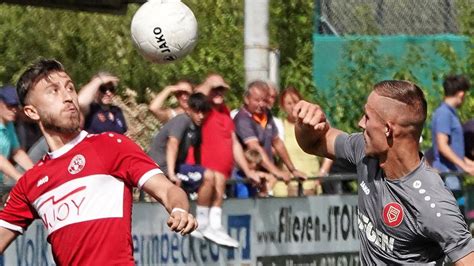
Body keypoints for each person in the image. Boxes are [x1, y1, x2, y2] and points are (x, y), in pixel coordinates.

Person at [0, 59, 197, 265]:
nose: (68, 96)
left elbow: (168, 190)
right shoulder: (31, 180)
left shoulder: (111, 145)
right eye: (54, 91)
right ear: (32, 112)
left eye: (70, 88)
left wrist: (179, 209)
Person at [294, 79, 474, 264]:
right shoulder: (363, 151)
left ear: (387, 129)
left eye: (367, 117)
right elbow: (315, 143)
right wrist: (304, 124)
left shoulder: (433, 203)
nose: (360, 123)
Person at [148, 92, 239, 248]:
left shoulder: (197, 127)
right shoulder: (183, 120)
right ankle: (203, 223)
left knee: (219, 176)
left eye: (204, 112)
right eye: (197, 111)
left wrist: (199, 171)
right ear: (189, 109)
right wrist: (171, 174)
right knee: (209, 176)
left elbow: (196, 152)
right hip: (161, 166)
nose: (201, 115)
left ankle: (215, 224)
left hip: (176, 166)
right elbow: (172, 144)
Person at [234, 80, 306, 187]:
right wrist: (276, 172)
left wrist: (292, 169)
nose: (261, 104)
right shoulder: (242, 119)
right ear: (246, 99)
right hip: (245, 178)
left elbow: (277, 142)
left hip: (266, 178)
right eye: (257, 100)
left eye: (264, 100)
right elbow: (254, 147)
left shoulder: (266, 114)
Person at [279, 86, 332, 196]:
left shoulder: (312, 123)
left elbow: (330, 146)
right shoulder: (280, 126)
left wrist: (322, 172)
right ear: (283, 106)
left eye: (296, 102)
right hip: (288, 186)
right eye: (289, 103)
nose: (293, 106)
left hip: (312, 182)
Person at [431, 75, 474, 204]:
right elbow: (442, 146)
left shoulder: (449, 114)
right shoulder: (444, 113)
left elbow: (455, 151)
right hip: (447, 176)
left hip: (453, 175)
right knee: (455, 217)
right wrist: (465, 167)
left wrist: (469, 164)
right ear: (461, 94)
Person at [0, 85, 34, 183]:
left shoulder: (9, 124)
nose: (14, 110)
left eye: (16, 106)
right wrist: (19, 177)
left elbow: (17, 152)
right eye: (10, 105)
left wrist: (35, 171)